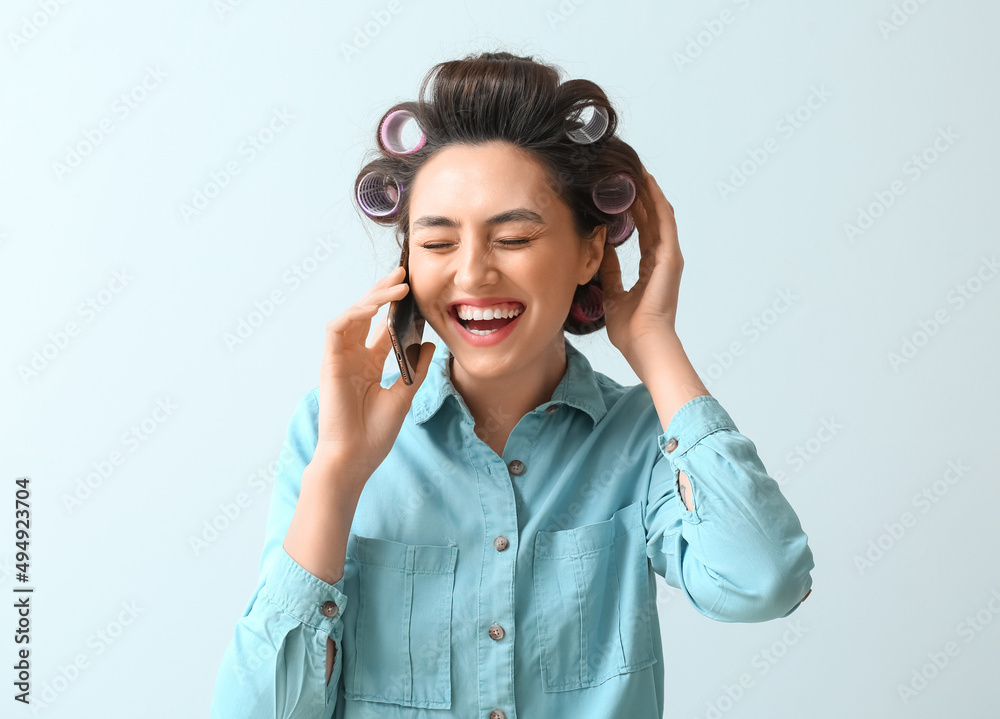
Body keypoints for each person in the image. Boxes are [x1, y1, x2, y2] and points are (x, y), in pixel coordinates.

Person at [211, 51, 814, 719]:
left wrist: (654, 343)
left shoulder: (641, 439)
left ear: (591, 251)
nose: (473, 275)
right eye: (438, 244)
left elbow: (763, 579)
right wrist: (338, 475)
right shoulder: (328, 431)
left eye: (514, 237)